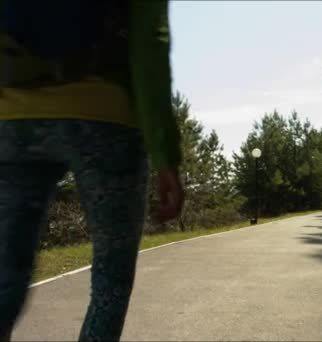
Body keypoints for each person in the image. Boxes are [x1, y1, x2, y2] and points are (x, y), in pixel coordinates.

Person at [0, 1, 184, 341]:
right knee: (110, 281)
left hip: (14, 119)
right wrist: (165, 155)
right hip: (105, 119)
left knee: (4, 277)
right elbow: (150, 45)